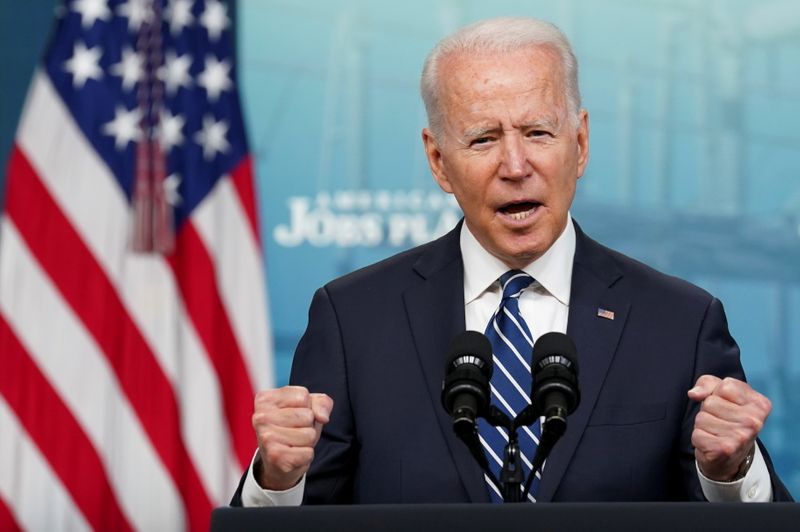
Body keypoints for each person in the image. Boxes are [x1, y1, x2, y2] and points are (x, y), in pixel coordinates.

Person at [231, 17, 792, 505]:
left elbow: (750, 517)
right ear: (438, 161)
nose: (515, 164)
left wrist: (729, 472)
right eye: (483, 139)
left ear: (581, 142)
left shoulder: (680, 322)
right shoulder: (352, 319)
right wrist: (278, 480)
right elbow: (298, 517)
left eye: (538, 132)